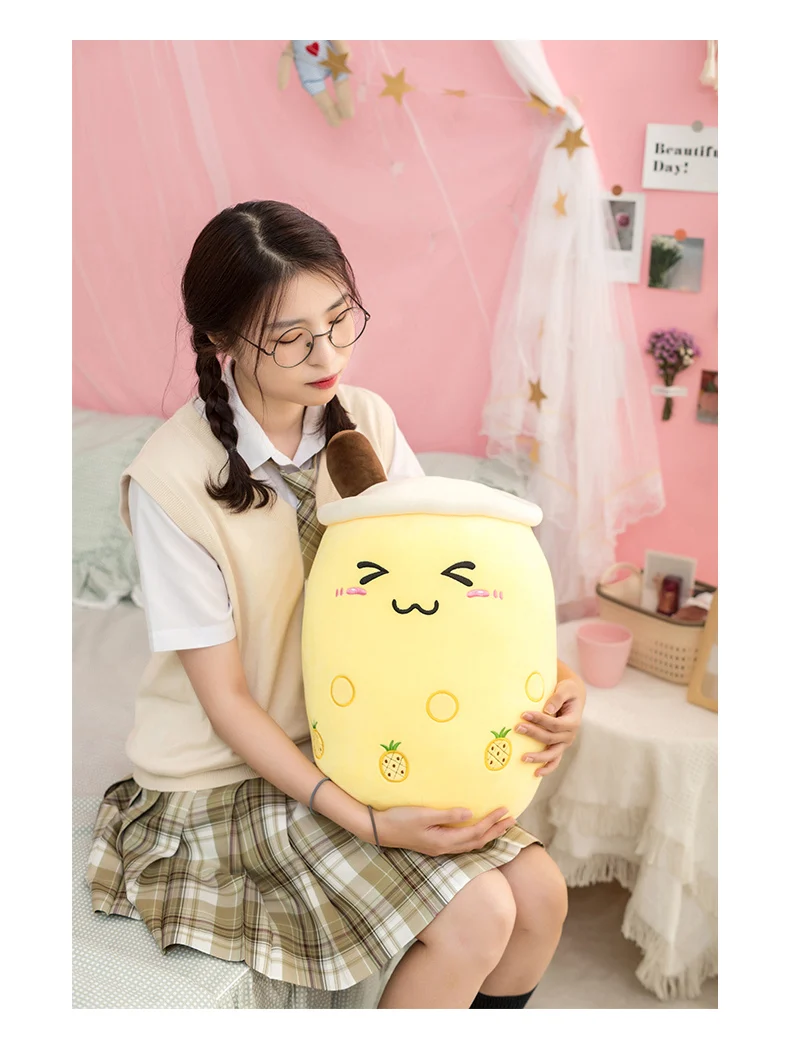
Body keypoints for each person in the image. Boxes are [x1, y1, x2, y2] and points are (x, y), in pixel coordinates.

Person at [87, 200, 586, 1010]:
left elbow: (452, 593)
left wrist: (561, 680)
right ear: (219, 339)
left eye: (339, 319)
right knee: (481, 913)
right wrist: (370, 821)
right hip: (226, 774)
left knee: (541, 898)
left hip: (360, 737)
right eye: (290, 337)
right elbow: (227, 703)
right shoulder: (170, 480)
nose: (327, 355)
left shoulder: (370, 422)